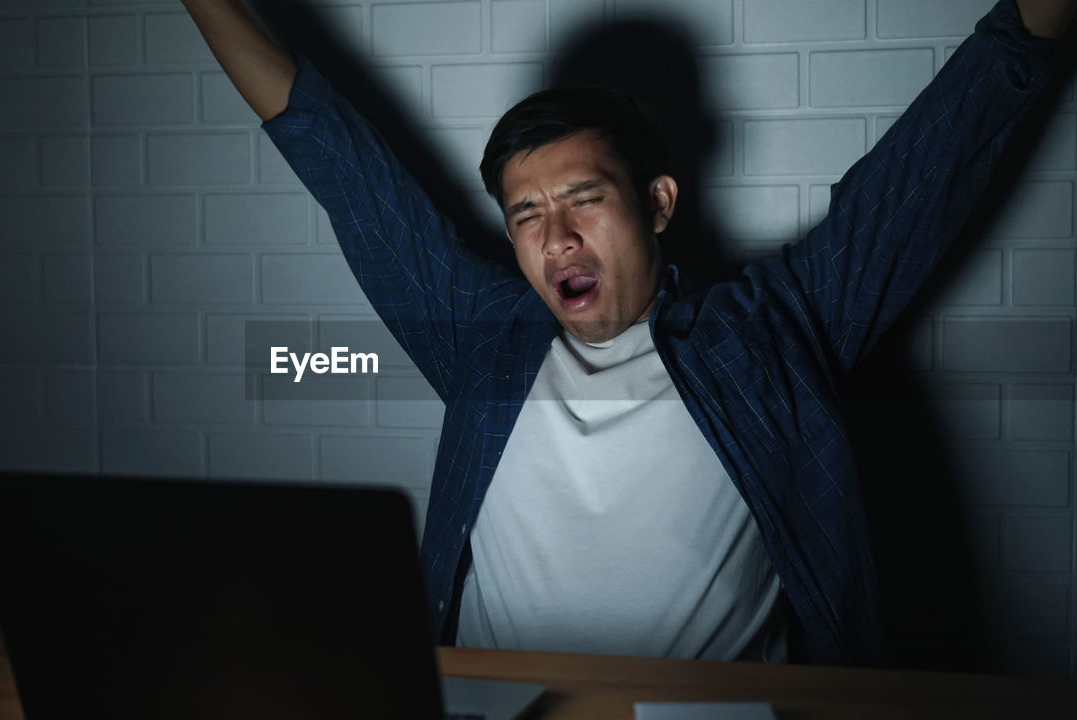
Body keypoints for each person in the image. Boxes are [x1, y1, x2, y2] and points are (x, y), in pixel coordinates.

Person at [183, 0, 1074, 665]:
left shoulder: (771, 332)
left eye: (584, 199)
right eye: (526, 213)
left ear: (657, 203)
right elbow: (335, 156)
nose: (556, 236)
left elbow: (949, 143)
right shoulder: (481, 338)